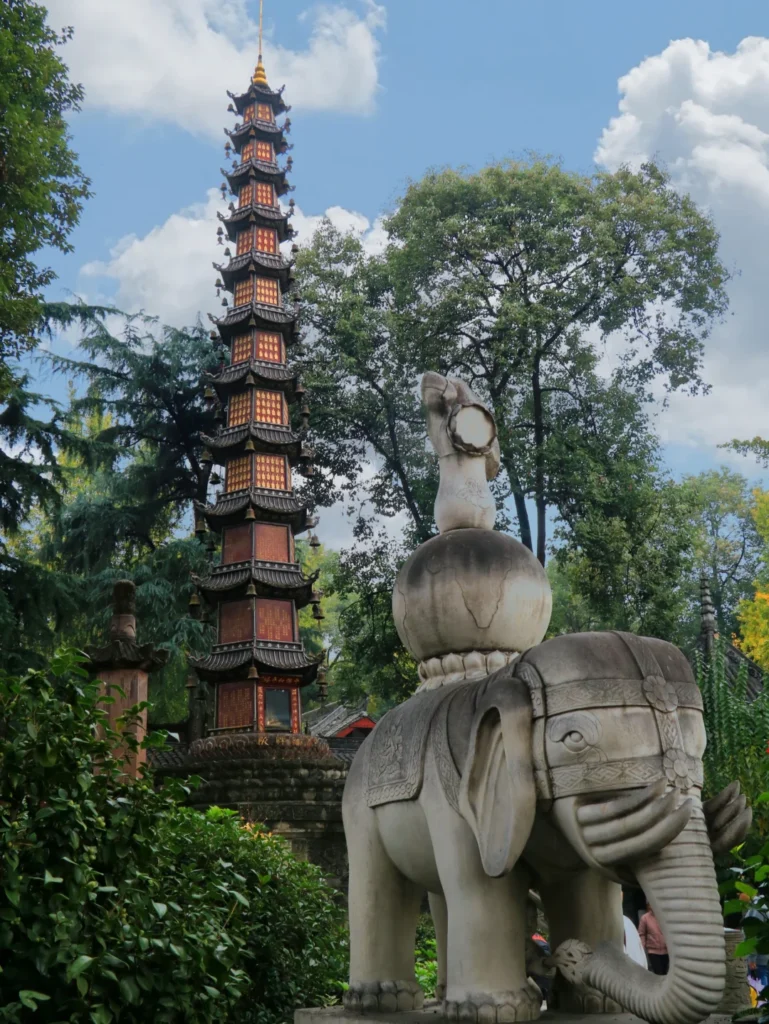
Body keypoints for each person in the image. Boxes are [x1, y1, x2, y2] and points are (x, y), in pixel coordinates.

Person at [638, 903, 669, 975]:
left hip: (666, 951)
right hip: (653, 951)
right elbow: (641, 934)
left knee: (665, 973)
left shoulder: (665, 917)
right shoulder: (645, 918)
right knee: (658, 973)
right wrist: (642, 947)